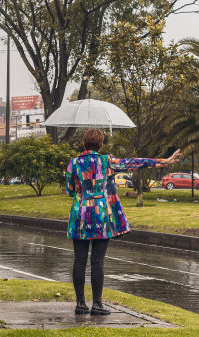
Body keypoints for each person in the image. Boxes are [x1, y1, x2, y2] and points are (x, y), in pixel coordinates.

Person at [65, 129, 181, 315]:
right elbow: (135, 163)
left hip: (80, 215)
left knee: (79, 260)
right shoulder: (107, 161)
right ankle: (97, 304)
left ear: (84, 144)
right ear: (101, 145)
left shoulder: (73, 163)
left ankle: (80, 304)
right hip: (102, 215)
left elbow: (70, 190)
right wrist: (164, 162)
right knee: (97, 261)